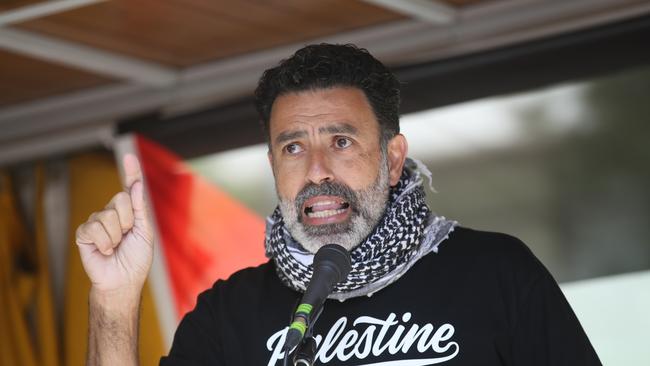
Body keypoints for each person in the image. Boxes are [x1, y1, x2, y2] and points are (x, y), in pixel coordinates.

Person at [76, 44, 602, 366]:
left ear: (393, 160)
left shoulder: (496, 273)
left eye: (342, 142)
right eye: (293, 147)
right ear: (273, 166)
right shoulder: (228, 314)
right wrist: (114, 300)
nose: (317, 170)